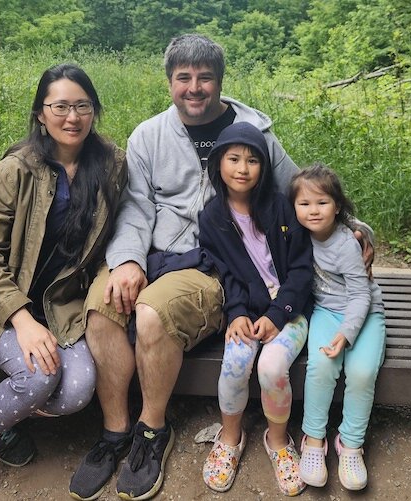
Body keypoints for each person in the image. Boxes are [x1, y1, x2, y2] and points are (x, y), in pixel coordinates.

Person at [69, 33, 372, 501]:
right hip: (152, 251)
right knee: (103, 306)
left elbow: (303, 190)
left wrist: (354, 229)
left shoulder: (255, 134)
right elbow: (134, 207)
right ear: (169, 82)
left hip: (215, 261)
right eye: (183, 77)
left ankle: (152, 432)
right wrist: (127, 260)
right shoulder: (149, 136)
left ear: (220, 81)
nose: (194, 87)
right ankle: (115, 431)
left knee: (150, 313)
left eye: (204, 78)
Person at [0, 63, 126, 501]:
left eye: (82, 105)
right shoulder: (15, 170)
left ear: (94, 110)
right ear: (41, 113)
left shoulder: (111, 164)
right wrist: (21, 319)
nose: (72, 117)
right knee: (41, 377)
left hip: (61, 305)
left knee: (76, 390)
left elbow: (114, 233)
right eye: (59, 106)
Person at [197, 122, 312, 496]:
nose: (242, 169)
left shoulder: (281, 207)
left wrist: (279, 314)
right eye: (233, 159)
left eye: (252, 160)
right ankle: (230, 438)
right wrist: (237, 313)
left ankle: (277, 441)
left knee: (272, 366)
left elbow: (300, 269)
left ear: (264, 166)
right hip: (246, 311)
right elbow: (225, 272)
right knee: (235, 362)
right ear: (218, 164)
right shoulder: (212, 217)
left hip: (289, 311)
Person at [290, 164, 386, 491]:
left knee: (361, 373)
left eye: (322, 202)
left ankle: (350, 444)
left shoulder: (346, 243)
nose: (313, 211)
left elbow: (361, 295)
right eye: (304, 203)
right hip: (326, 312)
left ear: (337, 206)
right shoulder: (296, 234)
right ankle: (314, 439)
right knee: (321, 364)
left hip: (363, 312)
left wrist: (347, 334)